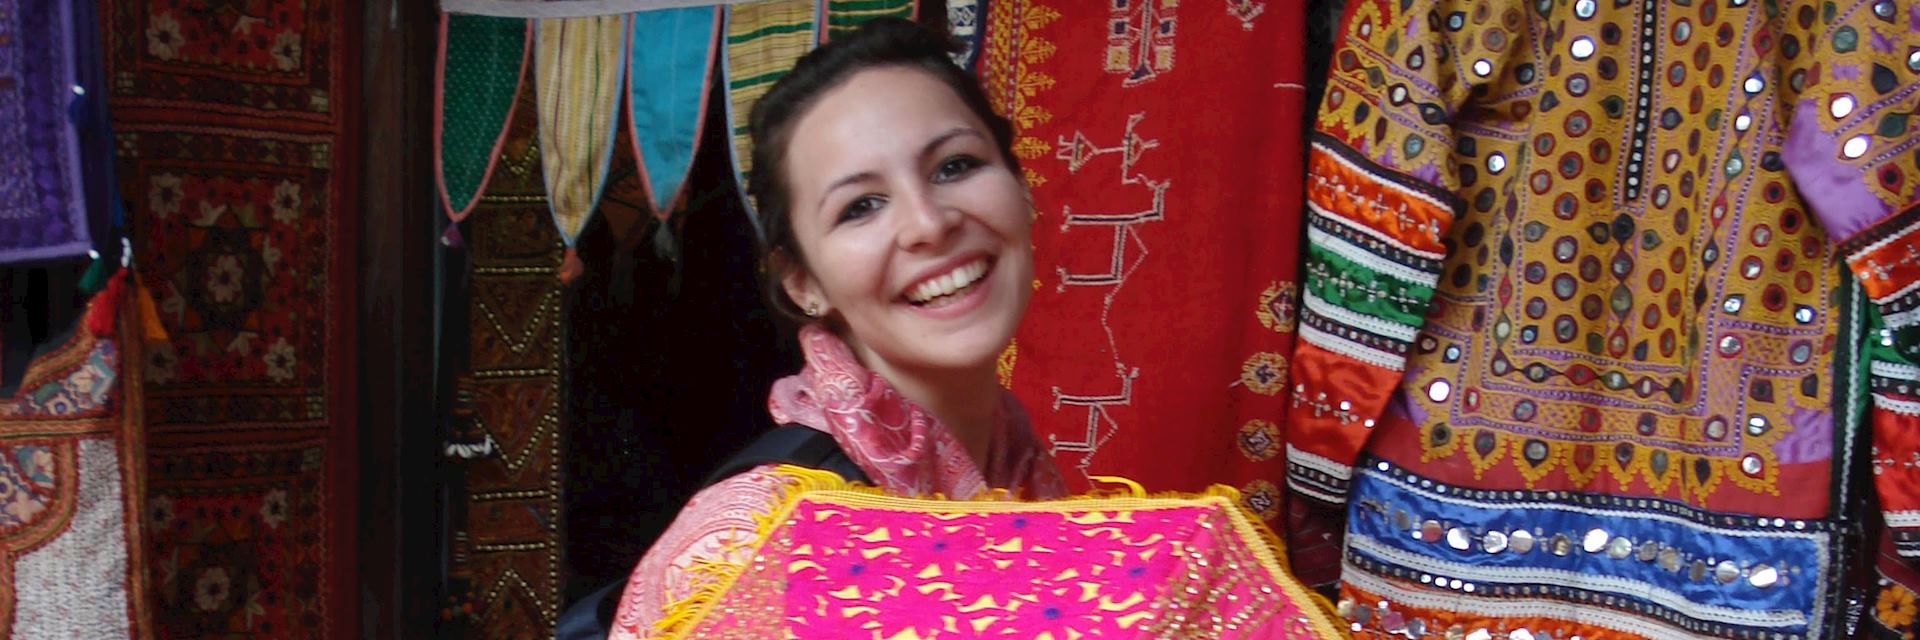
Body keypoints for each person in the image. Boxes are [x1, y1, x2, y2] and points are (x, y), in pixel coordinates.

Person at [602, 18, 1067, 639]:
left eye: (955, 165)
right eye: (861, 206)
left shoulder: (1029, 481)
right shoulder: (754, 543)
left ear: (1022, 187)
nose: (928, 223)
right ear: (803, 282)